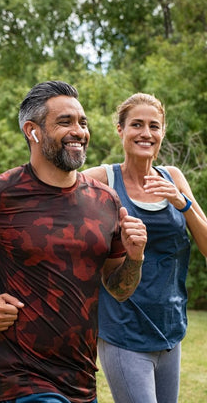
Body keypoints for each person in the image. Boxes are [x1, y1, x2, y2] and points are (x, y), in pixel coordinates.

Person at [0, 80, 148, 403]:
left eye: (82, 122)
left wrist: (135, 256)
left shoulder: (106, 201)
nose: (79, 131)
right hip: (21, 377)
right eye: (65, 122)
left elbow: (118, 289)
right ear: (33, 131)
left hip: (82, 379)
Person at [82, 93, 207, 403]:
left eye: (154, 126)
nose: (146, 134)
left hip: (170, 330)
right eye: (136, 124)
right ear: (120, 130)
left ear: (162, 132)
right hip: (124, 332)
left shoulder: (173, 177)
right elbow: (54, 202)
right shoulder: (102, 179)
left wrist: (183, 203)